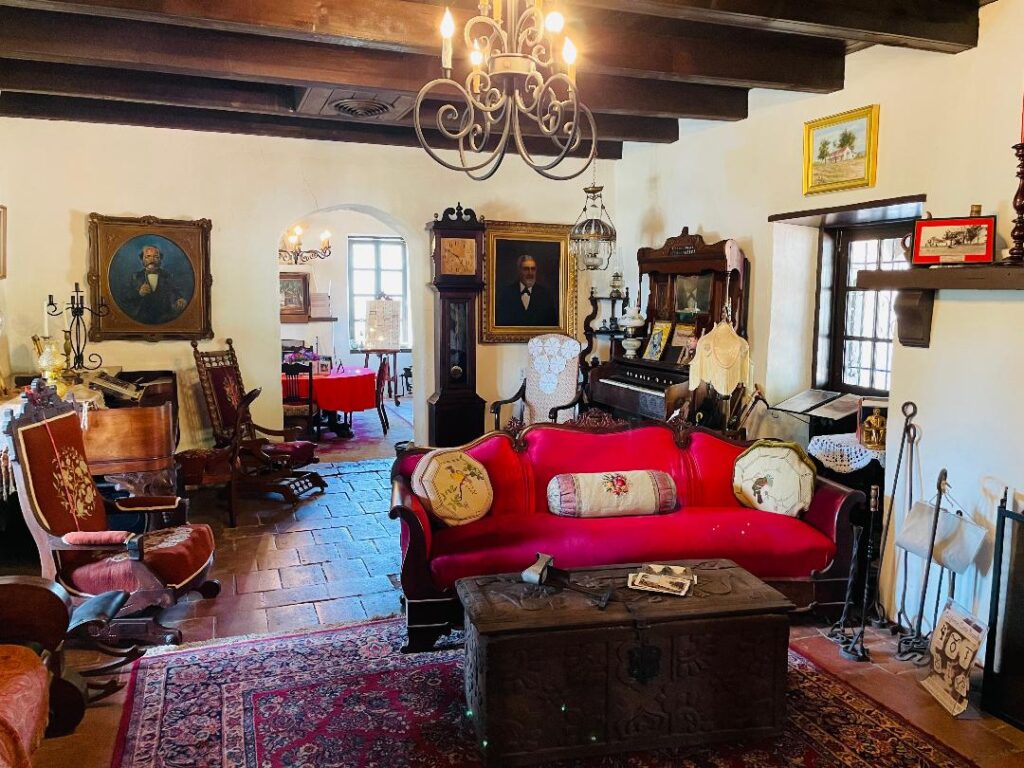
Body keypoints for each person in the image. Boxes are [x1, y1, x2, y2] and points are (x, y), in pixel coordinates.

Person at [127, 244, 189, 324]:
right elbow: (126, 296)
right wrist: (139, 293)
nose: (152, 259)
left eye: (156, 257)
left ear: (160, 259)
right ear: (142, 259)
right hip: (141, 317)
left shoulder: (167, 276)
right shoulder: (135, 277)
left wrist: (180, 299)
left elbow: (175, 291)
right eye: (148, 256)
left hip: (165, 317)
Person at [495, 254, 558, 327]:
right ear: (519, 271)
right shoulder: (506, 294)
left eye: (533, 269)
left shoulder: (546, 295)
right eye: (526, 269)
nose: (530, 273)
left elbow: (552, 325)